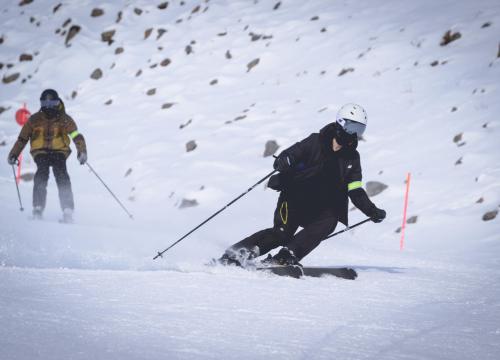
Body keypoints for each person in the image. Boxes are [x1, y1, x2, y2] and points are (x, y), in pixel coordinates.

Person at [219, 103, 386, 266]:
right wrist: (286, 159)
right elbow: (291, 153)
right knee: (282, 234)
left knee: (330, 220)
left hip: (319, 208)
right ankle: (236, 254)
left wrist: (371, 211)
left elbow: (355, 189)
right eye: (351, 127)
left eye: (359, 130)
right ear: (340, 123)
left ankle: (286, 256)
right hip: (294, 199)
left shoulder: (352, 158)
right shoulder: (315, 141)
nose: (353, 134)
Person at [7, 89, 87, 222]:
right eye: (45, 103)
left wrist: (82, 151)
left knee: (61, 174)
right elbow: (22, 138)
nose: (49, 106)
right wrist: (14, 154)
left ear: (57, 103)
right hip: (41, 152)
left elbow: (76, 136)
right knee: (41, 174)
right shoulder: (34, 120)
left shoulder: (64, 119)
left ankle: (67, 209)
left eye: (52, 103)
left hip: (59, 151)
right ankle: (38, 208)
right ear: (41, 103)